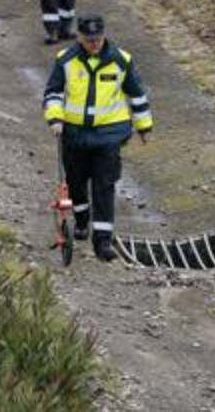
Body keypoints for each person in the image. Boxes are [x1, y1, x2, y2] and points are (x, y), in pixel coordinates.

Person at [43, 14, 152, 261]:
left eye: (97, 39)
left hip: (109, 135)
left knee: (104, 184)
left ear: (103, 35)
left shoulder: (121, 61)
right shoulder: (66, 61)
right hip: (74, 134)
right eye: (89, 39)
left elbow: (137, 95)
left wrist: (144, 127)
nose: (94, 43)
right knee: (76, 181)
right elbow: (53, 94)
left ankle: (103, 241)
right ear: (80, 37)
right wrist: (55, 119)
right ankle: (82, 219)